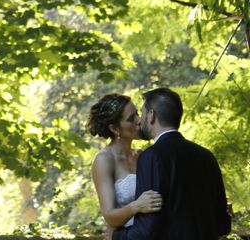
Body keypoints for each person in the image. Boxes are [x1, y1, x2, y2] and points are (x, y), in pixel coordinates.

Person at [110, 87, 231, 240]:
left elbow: (146, 231)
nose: (139, 120)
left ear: (151, 115)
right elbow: (223, 225)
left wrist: (116, 235)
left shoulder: (151, 156)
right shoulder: (207, 156)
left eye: (142, 113)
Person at [87, 93, 163, 232]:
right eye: (131, 119)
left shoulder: (142, 155)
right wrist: (136, 206)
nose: (139, 120)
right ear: (115, 129)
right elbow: (109, 216)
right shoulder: (104, 160)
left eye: (137, 113)